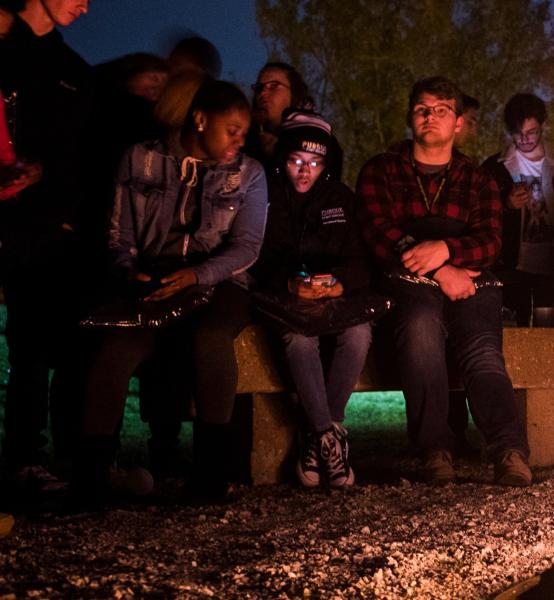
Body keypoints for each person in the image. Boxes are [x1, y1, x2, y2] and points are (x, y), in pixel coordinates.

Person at [75, 80, 267, 504]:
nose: (240, 139)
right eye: (231, 128)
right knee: (118, 347)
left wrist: (198, 275)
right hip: (155, 277)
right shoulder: (140, 159)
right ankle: (91, 478)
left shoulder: (249, 173)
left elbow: (247, 246)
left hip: (220, 281)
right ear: (200, 120)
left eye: (244, 131)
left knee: (211, 340)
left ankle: (210, 476)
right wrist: (130, 272)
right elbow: (118, 232)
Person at [358, 76, 530, 486]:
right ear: (410, 117)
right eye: (422, 109)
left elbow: (490, 241)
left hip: (470, 282)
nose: (430, 117)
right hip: (407, 280)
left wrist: (448, 252)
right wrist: (438, 267)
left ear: (456, 122)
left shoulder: (477, 180)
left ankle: (508, 450)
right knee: (420, 330)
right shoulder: (382, 170)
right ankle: (435, 448)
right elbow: (378, 230)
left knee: (481, 349)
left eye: (441, 110)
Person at [0, 0, 93, 491]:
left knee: (61, 346)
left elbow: (78, 156)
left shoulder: (71, 70)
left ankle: (67, 457)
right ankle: (23, 458)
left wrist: (46, 174)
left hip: (57, 227)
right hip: (15, 223)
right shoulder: (8, 52)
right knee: (29, 346)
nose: (85, 5)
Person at [252, 110, 372, 487]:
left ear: (327, 163)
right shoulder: (264, 195)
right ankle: (328, 436)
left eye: (315, 163)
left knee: (359, 333)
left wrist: (340, 284)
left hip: (335, 298)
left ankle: (317, 434)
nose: (305, 171)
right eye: (296, 161)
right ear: (283, 159)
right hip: (283, 300)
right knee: (298, 338)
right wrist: (288, 286)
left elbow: (362, 261)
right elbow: (251, 257)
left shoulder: (341, 198)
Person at [483, 93, 554, 326]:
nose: (525, 139)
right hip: (510, 267)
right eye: (519, 134)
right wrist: (506, 204)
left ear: (542, 127)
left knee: (549, 337)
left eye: (531, 132)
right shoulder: (494, 168)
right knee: (511, 335)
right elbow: (480, 215)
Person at [247, 62, 312, 165]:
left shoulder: (315, 137)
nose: (263, 93)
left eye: (273, 86)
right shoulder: (244, 138)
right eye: (259, 88)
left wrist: (280, 155)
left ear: (294, 93)